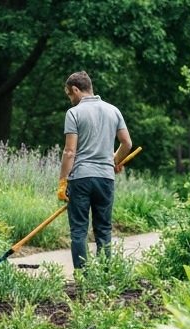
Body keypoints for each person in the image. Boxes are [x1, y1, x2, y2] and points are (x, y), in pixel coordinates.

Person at [56, 71, 133, 271]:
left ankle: (83, 278)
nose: (71, 100)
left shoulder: (74, 113)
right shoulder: (113, 110)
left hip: (80, 178)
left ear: (75, 89)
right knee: (104, 230)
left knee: (79, 231)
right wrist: (115, 161)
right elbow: (127, 143)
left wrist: (63, 181)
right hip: (105, 179)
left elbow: (70, 151)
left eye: (70, 95)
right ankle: (104, 276)